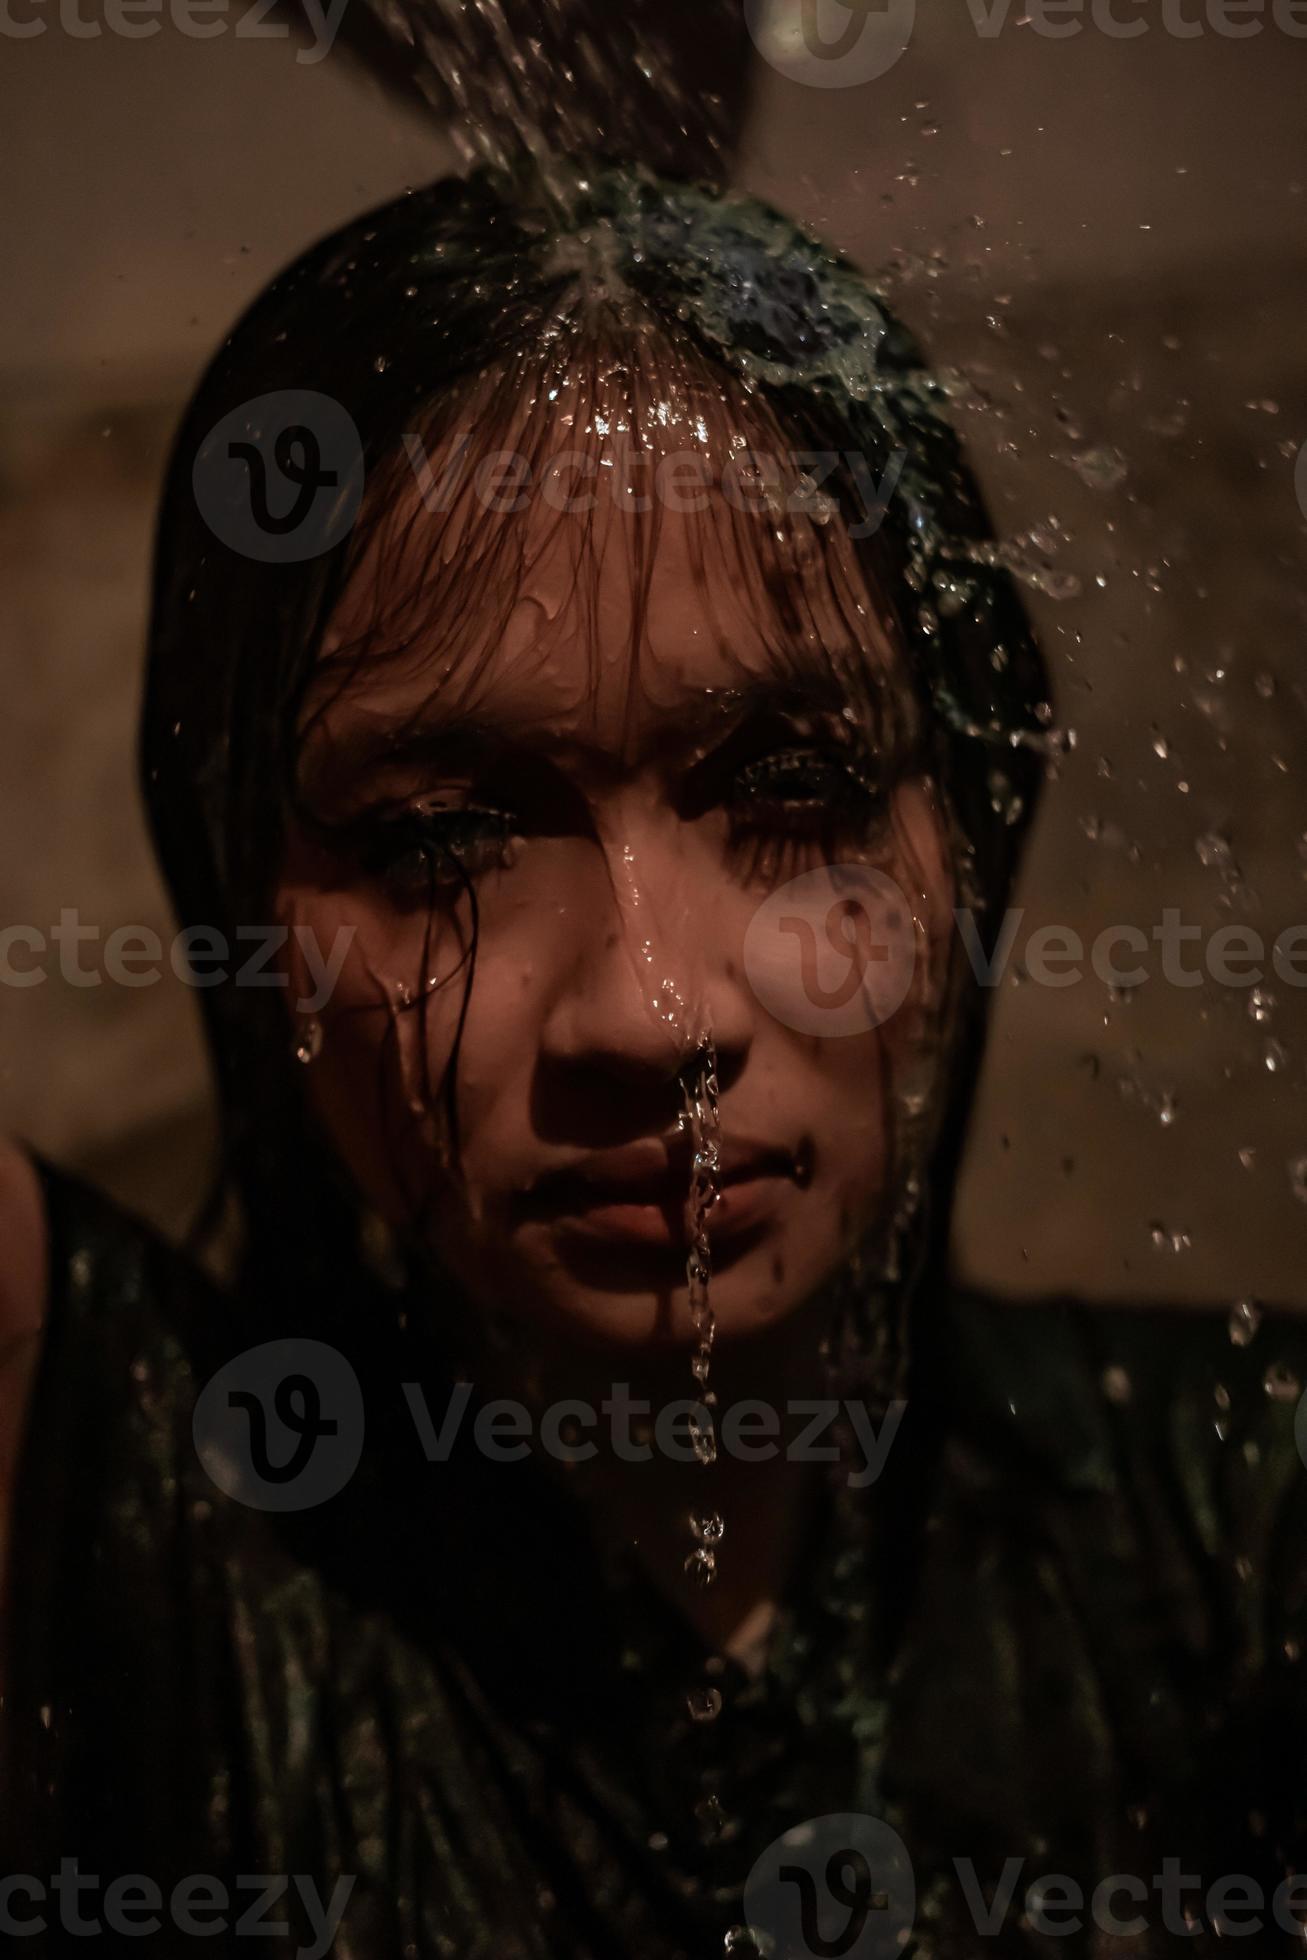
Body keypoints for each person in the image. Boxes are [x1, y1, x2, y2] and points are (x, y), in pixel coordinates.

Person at [2, 163, 1306, 1958]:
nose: (652, 1011)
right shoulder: (120, 1544)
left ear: (969, 834)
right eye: (444, 836)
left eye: (793, 794)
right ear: (245, 903)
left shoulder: (1247, 1518)